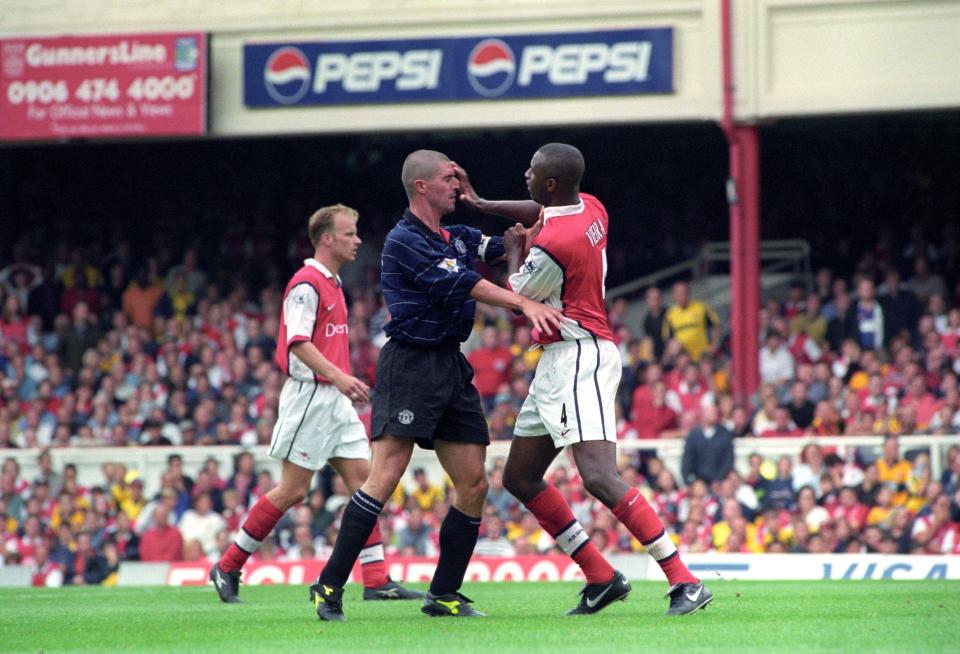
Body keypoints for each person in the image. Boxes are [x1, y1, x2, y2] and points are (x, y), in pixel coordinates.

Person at [456, 143, 710, 616]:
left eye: (532, 170)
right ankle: (600, 576)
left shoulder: (554, 244)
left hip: (579, 356)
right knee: (521, 477)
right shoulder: (590, 206)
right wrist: (484, 204)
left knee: (598, 475)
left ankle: (684, 580)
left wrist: (514, 250)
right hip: (559, 358)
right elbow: (542, 212)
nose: (525, 173)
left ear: (551, 183)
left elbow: (516, 296)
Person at [310, 151, 564, 622]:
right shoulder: (402, 241)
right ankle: (329, 585)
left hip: (450, 364)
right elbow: (470, 284)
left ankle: (443, 593)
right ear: (422, 186)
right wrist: (523, 304)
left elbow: (536, 226)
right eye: (449, 178)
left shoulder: (461, 236)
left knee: (473, 483)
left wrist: (486, 204)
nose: (456, 184)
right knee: (384, 476)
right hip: (409, 364)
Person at [210, 204, 422, 605]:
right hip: (311, 395)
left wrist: (341, 382)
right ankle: (228, 565)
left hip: (334, 398)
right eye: (349, 233)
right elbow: (298, 343)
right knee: (292, 490)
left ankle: (376, 579)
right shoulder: (306, 284)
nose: (357, 240)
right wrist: (340, 376)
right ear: (327, 239)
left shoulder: (333, 283)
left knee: (366, 483)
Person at [663, 281, 720, 362]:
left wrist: (713, 346)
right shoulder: (670, 314)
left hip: (703, 354)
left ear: (689, 293)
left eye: (684, 293)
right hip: (685, 358)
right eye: (678, 294)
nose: (682, 296)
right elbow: (668, 340)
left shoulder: (701, 307)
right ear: (674, 296)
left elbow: (716, 326)